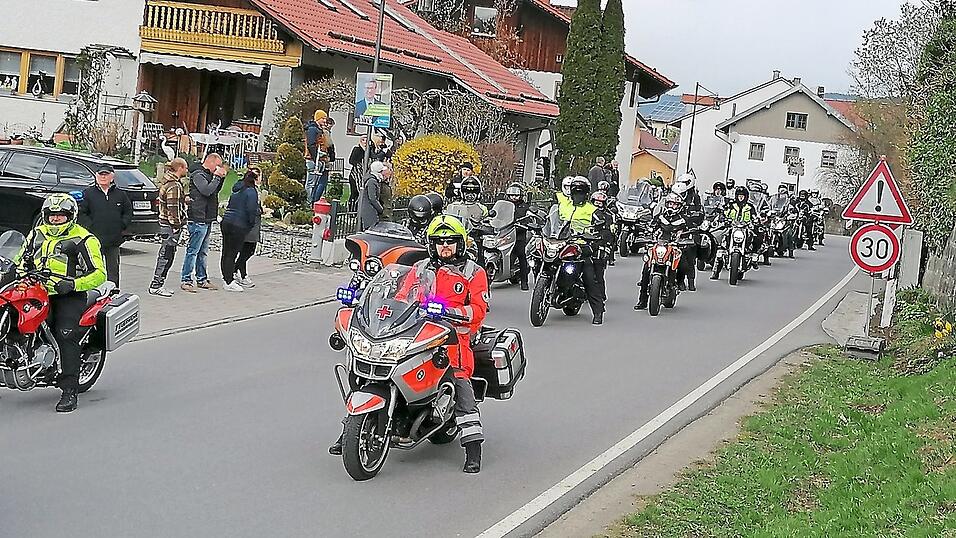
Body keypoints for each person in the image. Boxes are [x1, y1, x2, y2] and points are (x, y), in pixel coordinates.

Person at [330, 215, 489, 473]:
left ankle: (473, 448)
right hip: (418, 331)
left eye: (450, 241)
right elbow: (401, 296)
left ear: (461, 244)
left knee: (460, 384)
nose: (444, 246)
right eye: (439, 242)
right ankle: (351, 428)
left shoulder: (474, 272)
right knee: (370, 369)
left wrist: (451, 312)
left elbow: (479, 310)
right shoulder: (420, 268)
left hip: (453, 340)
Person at [21, 194, 106, 412]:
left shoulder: (84, 239)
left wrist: (73, 284)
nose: (56, 219)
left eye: (61, 216)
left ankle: (69, 390)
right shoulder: (35, 234)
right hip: (36, 290)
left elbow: (99, 274)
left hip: (67, 294)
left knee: (65, 333)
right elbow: (21, 260)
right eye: (52, 215)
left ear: (71, 216)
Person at [559, 176, 605, 325]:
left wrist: (594, 235)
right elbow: (553, 220)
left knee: (589, 278)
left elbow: (600, 227)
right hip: (562, 244)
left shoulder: (593, 210)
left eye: (581, 192)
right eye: (575, 192)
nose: (577, 195)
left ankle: (598, 312)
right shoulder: (564, 206)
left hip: (582, 246)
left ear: (586, 194)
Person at [77, 163, 131, 287]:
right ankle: (95, 292)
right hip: (94, 239)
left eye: (106, 174)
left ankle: (113, 292)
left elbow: (128, 212)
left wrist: (121, 225)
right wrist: (90, 228)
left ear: (112, 177)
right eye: (100, 174)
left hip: (114, 240)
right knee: (94, 269)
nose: (103, 177)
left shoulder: (120, 194)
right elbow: (81, 213)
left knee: (113, 270)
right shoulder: (88, 193)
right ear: (96, 176)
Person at [635, 192, 691, 310]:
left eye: (675, 205)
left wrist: (685, 240)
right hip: (659, 245)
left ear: (679, 206)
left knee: (684, 264)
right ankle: (642, 300)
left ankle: (679, 282)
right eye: (670, 204)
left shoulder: (683, 220)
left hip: (675, 246)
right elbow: (652, 227)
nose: (672, 207)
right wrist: (646, 234)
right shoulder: (660, 217)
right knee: (646, 268)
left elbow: (688, 233)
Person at [181, 153, 225, 292]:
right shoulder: (198, 175)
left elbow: (214, 190)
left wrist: (220, 179)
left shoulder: (209, 175)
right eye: (217, 165)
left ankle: (202, 278)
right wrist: (217, 177)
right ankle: (186, 279)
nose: (217, 168)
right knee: (193, 251)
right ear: (210, 162)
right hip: (198, 217)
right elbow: (206, 191)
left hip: (207, 217)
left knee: (203, 251)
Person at [149, 158, 188, 297]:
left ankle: (158, 283)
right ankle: (156, 285)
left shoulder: (168, 183)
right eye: (185, 168)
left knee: (166, 254)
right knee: (166, 255)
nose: (187, 171)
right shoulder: (174, 186)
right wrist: (176, 225)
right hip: (170, 226)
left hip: (165, 224)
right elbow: (173, 207)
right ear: (180, 168)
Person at [219, 170, 261, 292]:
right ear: (255, 179)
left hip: (227, 221)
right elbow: (251, 210)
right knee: (232, 253)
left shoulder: (237, 189)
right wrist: (250, 224)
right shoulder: (251, 191)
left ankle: (226, 278)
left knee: (226, 252)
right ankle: (229, 281)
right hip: (239, 224)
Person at [671, 172, 704, 291]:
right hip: (674, 228)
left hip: (690, 229)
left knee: (690, 257)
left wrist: (692, 218)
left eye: (685, 183)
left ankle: (691, 281)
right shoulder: (674, 195)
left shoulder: (695, 197)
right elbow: (663, 209)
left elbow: (700, 213)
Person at [233, 169, 264, 289]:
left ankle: (239, 272)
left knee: (247, 250)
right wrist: (260, 211)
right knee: (248, 250)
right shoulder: (248, 189)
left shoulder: (252, 189)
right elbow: (249, 207)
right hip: (248, 223)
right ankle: (239, 272)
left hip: (252, 224)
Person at [505, 183, 532, 291]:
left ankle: (524, 281)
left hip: (519, 235)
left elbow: (527, 218)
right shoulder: (506, 205)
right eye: (511, 195)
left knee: (521, 255)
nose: (513, 197)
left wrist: (524, 223)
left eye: (516, 195)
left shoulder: (524, 206)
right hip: (506, 233)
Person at [357, 161, 387, 231]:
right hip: (369, 212)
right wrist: (380, 209)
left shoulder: (372, 180)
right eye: (382, 171)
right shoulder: (372, 181)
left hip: (369, 211)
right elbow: (372, 198)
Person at [347, 135, 368, 205]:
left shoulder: (368, 150)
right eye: (363, 140)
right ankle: (351, 209)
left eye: (366, 140)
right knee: (354, 193)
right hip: (355, 175)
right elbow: (351, 161)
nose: (365, 142)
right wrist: (359, 164)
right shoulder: (357, 149)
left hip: (364, 175)